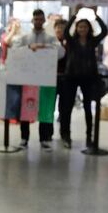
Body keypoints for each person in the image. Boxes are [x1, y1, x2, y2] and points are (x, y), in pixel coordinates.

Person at [16, 9, 65, 149]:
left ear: (44, 20)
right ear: (33, 20)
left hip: (45, 79)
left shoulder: (50, 38)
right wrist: (28, 47)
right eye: (36, 19)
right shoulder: (25, 38)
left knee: (46, 108)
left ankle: (44, 138)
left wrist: (44, 47)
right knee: (26, 109)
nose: (38, 21)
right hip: (28, 79)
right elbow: (15, 50)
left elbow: (61, 53)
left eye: (40, 19)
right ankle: (24, 138)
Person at [61, 8, 108, 148]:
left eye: (85, 27)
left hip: (88, 78)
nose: (83, 29)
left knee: (88, 108)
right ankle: (66, 135)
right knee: (67, 107)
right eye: (80, 27)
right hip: (71, 77)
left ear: (89, 28)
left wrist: (96, 16)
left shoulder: (92, 41)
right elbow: (66, 31)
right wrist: (75, 15)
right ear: (76, 28)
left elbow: (104, 31)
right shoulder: (71, 41)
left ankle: (89, 137)